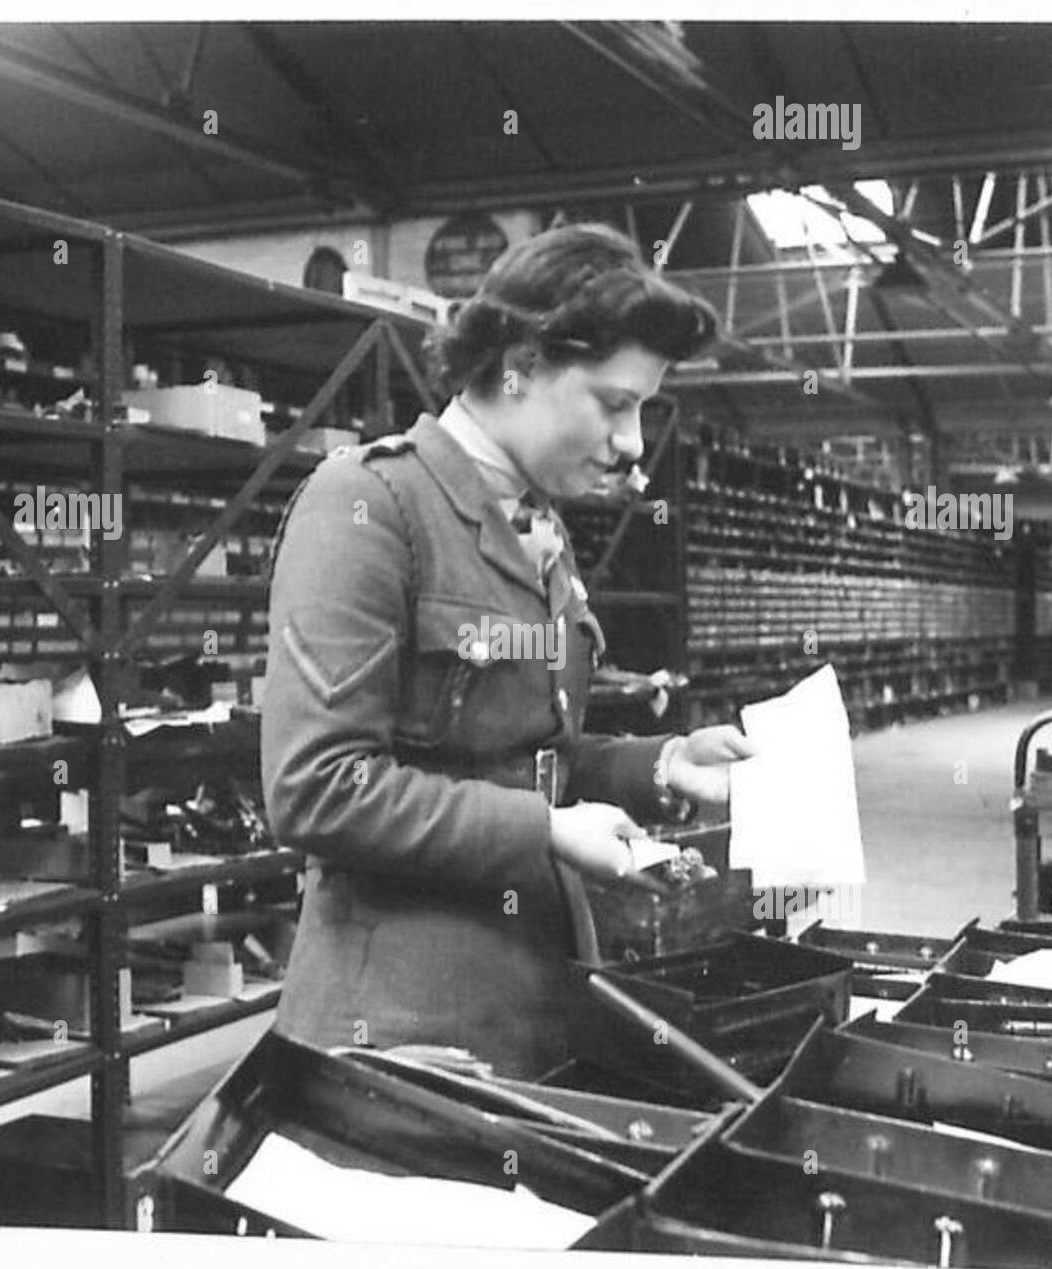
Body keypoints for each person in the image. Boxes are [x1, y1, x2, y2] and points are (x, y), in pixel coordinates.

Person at [261, 223, 754, 1079]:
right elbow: (318, 789)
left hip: (539, 1003)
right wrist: (552, 833)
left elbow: (530, 757)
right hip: (398, 1036)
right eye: (614, 402)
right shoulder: (370, 504)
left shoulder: (534, 522)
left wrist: (665, 767)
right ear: (521, 364)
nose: (635, 442)